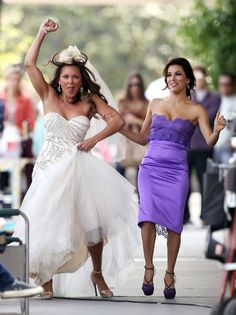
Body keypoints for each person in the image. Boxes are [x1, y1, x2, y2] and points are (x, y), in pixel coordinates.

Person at [13, 18, 139, 299]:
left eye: (75, 77)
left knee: (92, 224)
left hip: (80, 168)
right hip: (48, 168)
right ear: (58, 80)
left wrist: (94, 139)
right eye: (66, 77)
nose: (70, 82)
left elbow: (116, 120)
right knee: (48, 222)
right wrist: (41, 32)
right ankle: (45, 278)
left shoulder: (89, 102)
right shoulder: (47, 95)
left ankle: (97, 271)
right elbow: (30, 66)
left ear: (82, 80)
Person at [120, 57, 226, 299]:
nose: (172, 79)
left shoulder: (196, 109)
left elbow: (209, 140)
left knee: (173, 223)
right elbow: (142, 138)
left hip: (177, 171)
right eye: (169, 75)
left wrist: (218, 130)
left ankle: (170, 273)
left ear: (188, 78)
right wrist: (118, 127)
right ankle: (148, 268)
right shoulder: (155, 103)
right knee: (146, 218)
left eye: (178, 74)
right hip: (150, 168)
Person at [184, 66, 221, 224]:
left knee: (204, 181)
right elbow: (186, 116)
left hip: (205, 146)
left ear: (206, 78)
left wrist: (196, 115)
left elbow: (212, 115)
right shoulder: (187, 96)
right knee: (184, 182)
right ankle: (184, 216)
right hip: (187, 145)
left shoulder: (215, 97)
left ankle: (205, 215)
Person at [116, 72, 148, 180]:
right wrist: (124, 120)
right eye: (131, 84)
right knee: (119, 172)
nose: (134, 87)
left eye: (137, 84)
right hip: (125, 141)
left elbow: (151, 125)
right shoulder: (122, 102)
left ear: (141, 86)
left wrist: (135, 120)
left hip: (140, 142)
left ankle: (141, 197)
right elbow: (115, 122)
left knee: (141, 176)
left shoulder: (147, 103)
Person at [214, 72, 236, 163]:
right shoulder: (217, 99)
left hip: (229, 148)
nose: (224, 87)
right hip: (216, 147)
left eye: (227, 84)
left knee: (228, 176)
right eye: (222, 84)